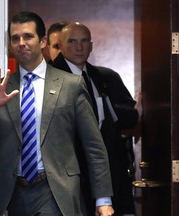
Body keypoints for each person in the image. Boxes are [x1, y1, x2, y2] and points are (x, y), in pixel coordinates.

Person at [0, 11, 114, 216]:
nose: (21, 43)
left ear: (43, 41)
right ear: (10, 46)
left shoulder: (70, 85)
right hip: (12, 192)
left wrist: (103, 199)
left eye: (28, 36)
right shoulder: (2, 87)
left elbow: (94, 147)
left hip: (54, 189)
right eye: (15, 38)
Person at [52, 22, 139, 216]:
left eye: (84, 41)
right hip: (65, 173)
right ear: (60, 45)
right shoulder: (49, 77)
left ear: (91, 45)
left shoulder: (103, 77)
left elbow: (128, 118)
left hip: (105, 170)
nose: (79, 47)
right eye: (72, 41)